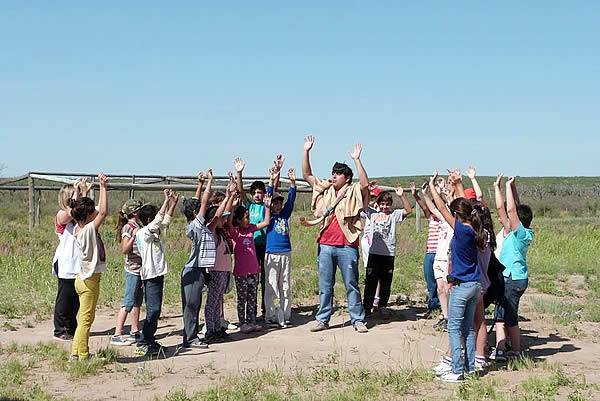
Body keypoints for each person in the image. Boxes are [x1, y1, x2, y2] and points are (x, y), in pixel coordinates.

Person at [301, 135, 370, 333]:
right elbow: (307, 174)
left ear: (346, 178)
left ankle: (358, 320)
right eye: (332, 173)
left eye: (337, 174)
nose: (333, 176)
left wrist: (357, 160)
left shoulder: (353, 190)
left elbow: (364, 185)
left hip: (347, 245)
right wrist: (306, 151)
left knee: (351, 283)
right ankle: (323, 319)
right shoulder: (325, 189)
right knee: (325, 285)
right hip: (326, 245)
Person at [429, 170, 486, 383]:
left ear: (457, 214)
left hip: (462, 286)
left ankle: (456, 370)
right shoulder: (476, 229)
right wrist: (459, 186)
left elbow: (442, 208)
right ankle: (470, 368)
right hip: (475, 285)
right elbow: (466, 206)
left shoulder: (460, 230)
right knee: (468, 329)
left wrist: (434, 187)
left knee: (454, 328)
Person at [234, 154, 283, 319]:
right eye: (254, 193)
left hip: (266, 246)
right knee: (251, 279)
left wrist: (276, 171)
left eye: (260, 192)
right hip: (251, 248)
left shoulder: (266, 205)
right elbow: (240, 192)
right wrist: (239, 173)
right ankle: (250, 312)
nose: (257, 195)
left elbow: (273, 189)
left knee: (265, 279)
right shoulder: (248, 206)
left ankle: (264, 309)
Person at [491, 175, 533, 362]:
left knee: (509, 317)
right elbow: (504, 207)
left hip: (513, 279)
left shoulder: (521, 234)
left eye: (511, 217)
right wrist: (500, 187)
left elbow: (510, 209)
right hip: (508, 277)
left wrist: (508, 185)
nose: (505, 218)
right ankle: (500, 349)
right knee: (500, 314)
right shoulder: (515, 231)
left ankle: (515, 350)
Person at [69, 173, 109, 361]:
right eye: (92, 211)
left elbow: (77, 209)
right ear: (88, 216)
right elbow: (103, 213)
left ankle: (76, 353)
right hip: (89, 281)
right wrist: (103, 187)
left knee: (84, 319)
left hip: (82, 279)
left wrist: (82, 192)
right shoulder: (88, 231)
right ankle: (83, 355)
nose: (96, 212)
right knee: (86, 320)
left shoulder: (78, 227)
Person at [134, 189, 178, 356]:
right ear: (149, 220)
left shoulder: (154, 233)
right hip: (151, 275)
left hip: (158, 274)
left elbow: (165, 221)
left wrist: (173, 203)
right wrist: (165, 201)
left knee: (156, 310)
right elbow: (159, 220)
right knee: (153, 310)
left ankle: (149, 340)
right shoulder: (143, 233)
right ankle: (143, 341)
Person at [363, 186, 412, 319]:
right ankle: (367, 307)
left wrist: (401, 196)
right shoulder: (372, 213)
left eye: (387, 204)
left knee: (385, 283)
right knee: (370, 282)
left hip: (388, 254)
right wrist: (368, 192)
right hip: (374, 253)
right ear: (378, 204)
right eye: (382, 204)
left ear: (390, 205)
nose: (384, 207)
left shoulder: (394, 214)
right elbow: (362, 204)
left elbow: (408, 210)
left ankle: (382, 306)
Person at [227, 192, 272, 334]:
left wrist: (268, 207)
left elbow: (266, 222)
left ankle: (252, 321)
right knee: (242, 299)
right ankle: (243, 323)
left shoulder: (251, 229)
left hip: (254, 271)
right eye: (246, 217)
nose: (249, 219)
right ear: (239, 220)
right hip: (241, 272)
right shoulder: (235, 232)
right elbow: (228, 222)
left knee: (252, 297)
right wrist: (233, 208)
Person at [181, 170, 215, 349]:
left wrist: (200, 184)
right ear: (196, 213)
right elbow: (201, 202)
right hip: (193, 271)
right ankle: (190, 338)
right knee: (191, 306)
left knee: (194, 305)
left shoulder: (194, 224)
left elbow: (195, 204)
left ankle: (191, 336)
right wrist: (209, 181)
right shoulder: (196, 226)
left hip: (198, 270)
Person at [52, 178, 89, 342]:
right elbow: (69, 213)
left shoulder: (77, 215)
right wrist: (76, 192)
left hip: (77, 263)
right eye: (75, 195)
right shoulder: (62, 214)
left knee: (75, 299)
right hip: (66, 262)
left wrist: (85, 193)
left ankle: (71, 327)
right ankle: (60, 329)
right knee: (65, 297)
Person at [204, 179, 237, 343]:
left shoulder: (222, 233)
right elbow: (218, 215)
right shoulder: (210, 232)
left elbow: (225, 213)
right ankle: (210, 330)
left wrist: (231, 196)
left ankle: (217, 328)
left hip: (223, 271)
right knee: (212, 302)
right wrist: (227, 197)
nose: (223, 220)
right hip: (215, 271)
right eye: (220, 219)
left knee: (218, 302)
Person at [264, 167, 297, 327]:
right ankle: (270, 315)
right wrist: (271, 180)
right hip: (271, 253)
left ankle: (285, 314)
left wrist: (292, 183)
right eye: (275, 203)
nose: (277, 205)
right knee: (271, 285)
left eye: (279, 203)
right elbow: (268, 196)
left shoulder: (284, 215)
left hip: (286, 253)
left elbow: (291, 200)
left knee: (285, 284)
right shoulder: (268, 216)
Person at [111, 199, 144, 346]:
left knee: (137, 301)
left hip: (140, 269)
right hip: (132, 269)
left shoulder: (137, 225)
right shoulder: (129, 228)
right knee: (129, 301)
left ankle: (134, 331)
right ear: (135, 212)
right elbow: (124, 249)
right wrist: (134, 236)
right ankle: (117, 334)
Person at [410, 181, 441, 317]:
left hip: (442, 254)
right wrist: (416, 196)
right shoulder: (431, 219)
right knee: (431, 281)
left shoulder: (446, 220)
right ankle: (433, 305)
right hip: (430, 254)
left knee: (442, 282)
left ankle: (444, 306)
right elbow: (424, 208)